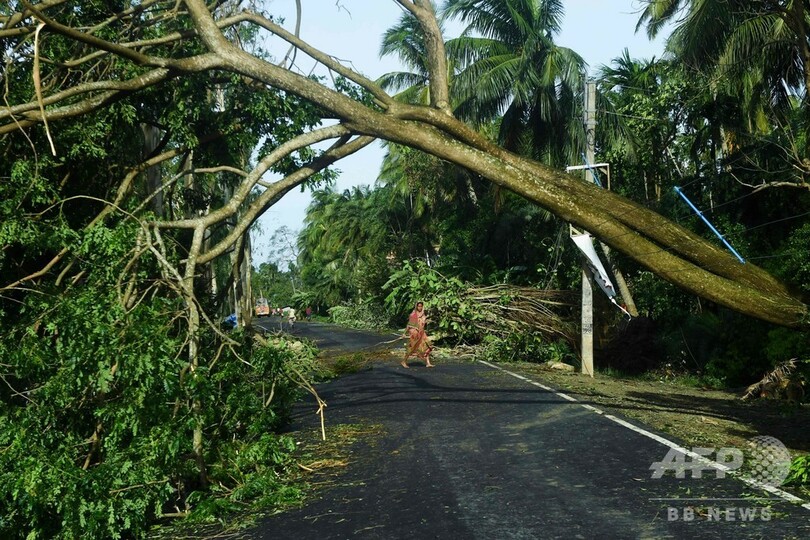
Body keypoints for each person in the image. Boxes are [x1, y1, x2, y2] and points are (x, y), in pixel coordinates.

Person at [402, 301, 434, 368]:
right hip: (415, 334)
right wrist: (404, 333)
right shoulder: (413, 315)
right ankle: (404, 361)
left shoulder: (423, 314)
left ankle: (428, 363)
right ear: (416, 306)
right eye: (419, 306)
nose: (420, 307)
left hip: (422, 333)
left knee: (427, 346)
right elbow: (409, 325)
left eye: (421, 306)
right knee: (411, 348)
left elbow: (423, 323)